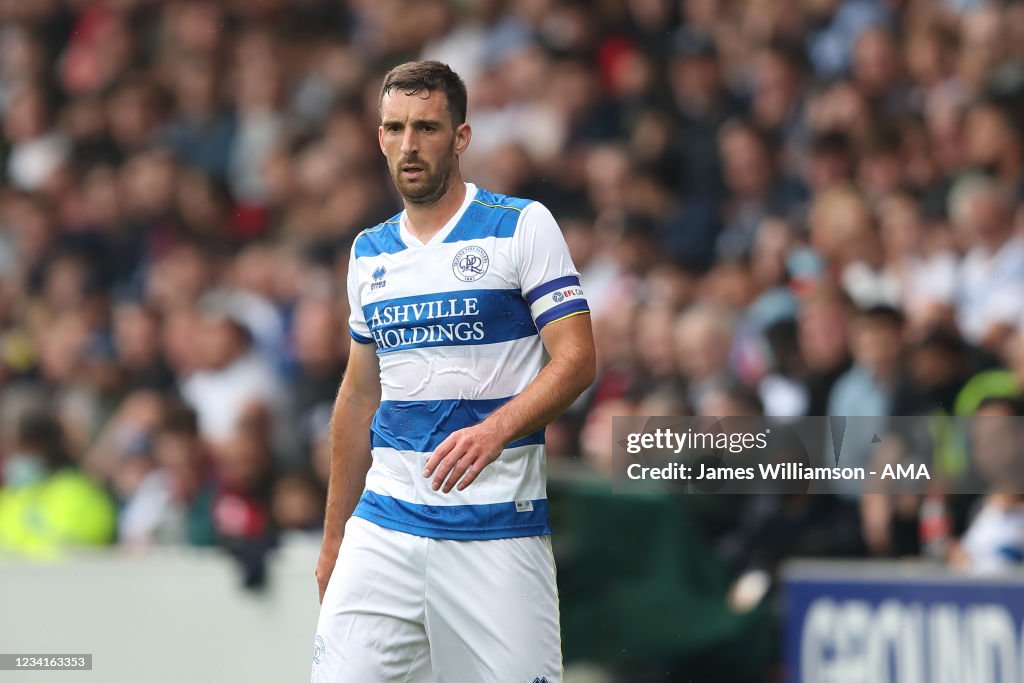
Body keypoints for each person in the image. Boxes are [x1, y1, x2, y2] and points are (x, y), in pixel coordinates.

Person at [311, 61, 596, 683]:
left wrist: (494, 431)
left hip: (497, 528)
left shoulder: (520, 225)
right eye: (394, 128)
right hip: (384, 524)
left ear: (460, 137)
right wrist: (335, 539)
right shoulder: (369, 252)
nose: (409, 145)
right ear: (380, 137)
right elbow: (359, 398)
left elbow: (576, 359)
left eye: (426, 128)